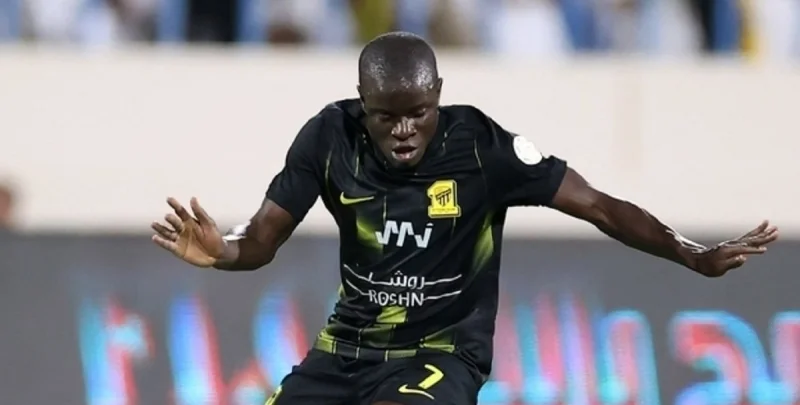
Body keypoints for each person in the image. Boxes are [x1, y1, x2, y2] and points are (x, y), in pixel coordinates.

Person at [151, 32, 779, 405]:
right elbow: (262, 238)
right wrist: (222, 250)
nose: (404, 130)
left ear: (438, 95)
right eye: (386, 117)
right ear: (362, 104)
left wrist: (690, 253)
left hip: (441, 351)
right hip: (345, 348)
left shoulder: (481, 148)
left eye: (418, 113)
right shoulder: (328, 138)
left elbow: (598, 206)